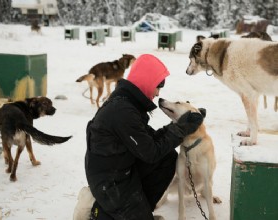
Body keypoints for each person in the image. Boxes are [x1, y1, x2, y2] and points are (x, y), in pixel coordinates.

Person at [77, 54, 204, 220]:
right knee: (158, 156)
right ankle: (96, 211)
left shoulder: (129, 104)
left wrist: (181, 125)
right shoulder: (122, 111)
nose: (158, 93)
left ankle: (139, 209)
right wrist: (180, 129)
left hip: (123, 170)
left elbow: (151, 141)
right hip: (109, 182)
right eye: (158, 86)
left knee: (167, 158)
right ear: (146, 81)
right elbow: (150, 152)